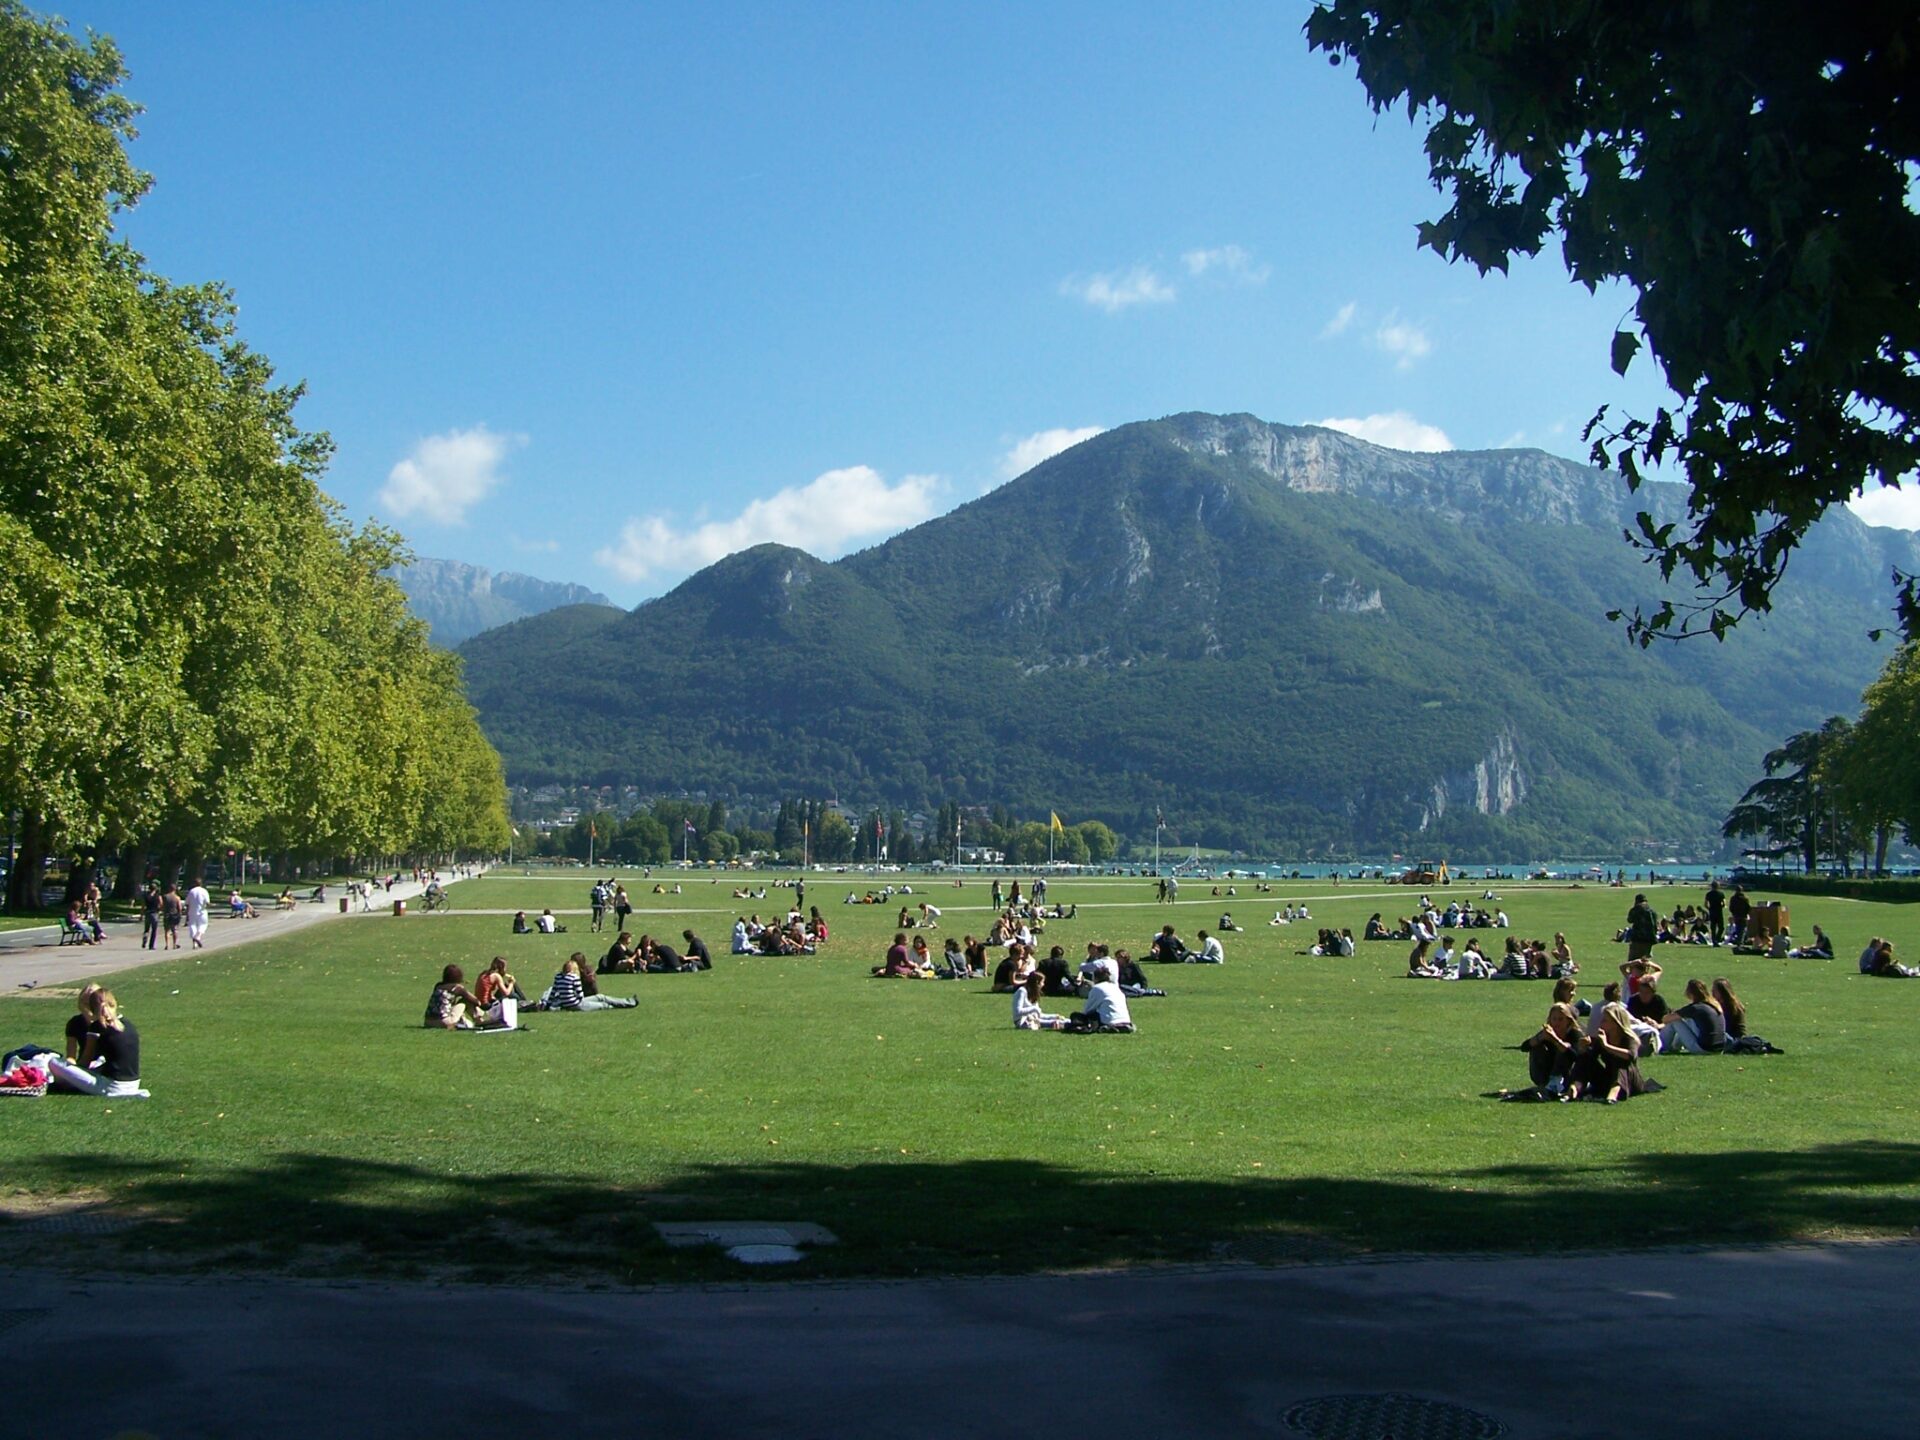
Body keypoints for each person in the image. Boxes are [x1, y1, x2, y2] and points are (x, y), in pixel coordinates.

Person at [44, 990, 147, 1097]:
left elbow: (85, 1062)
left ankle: (59, 1084)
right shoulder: (129, 1025)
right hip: (134, 1083)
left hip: (112, 1087)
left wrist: (73, 1074)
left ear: (91, 1008)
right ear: (115, 1004)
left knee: (53, 1062)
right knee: (98, 1063)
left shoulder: (97, 1027)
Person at [1660, 978, 1727, 1054]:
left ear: (1690, 993)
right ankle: (1675, 1046)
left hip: (1704, 1049)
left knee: (1674, 1021)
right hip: (1720, 1049)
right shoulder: (1714, 1005)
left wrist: (1673, 1013)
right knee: (1689, 1020)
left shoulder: (1695, 1008)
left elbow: (1666, 1019)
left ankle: (1662, 1047)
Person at [546, 955, 637, 1009]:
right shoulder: (574, 977)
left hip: (568, 1003)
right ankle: (628, 1003)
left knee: (601, 998)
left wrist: (547, 1004)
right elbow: (580, 996)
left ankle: (628, 1002)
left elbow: (553, 992)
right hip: (577, 1004)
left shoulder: (558, 976)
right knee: (603, 1003)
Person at [1067, 973, 1134, 1032]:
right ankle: (1122, 1026)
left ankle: (1108, 1027)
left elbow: (1087, 1011)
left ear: (1095, 978)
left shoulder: (1097, 988)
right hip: (1126, 1020)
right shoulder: (1115, 987)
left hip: (1109, 1021)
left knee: (1076, 1016)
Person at [1625, 893, 1658, 963]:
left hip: (1638, 939)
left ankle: (1634, 974)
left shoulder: (1636, 909)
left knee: (1633, 961)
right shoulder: (1652, 911)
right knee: (1646, 961)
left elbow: (1629, 920)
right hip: (1650, 939)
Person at [185, 877, 211, 949]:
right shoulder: (204, 891)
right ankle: (198, 937)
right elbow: (207, 902)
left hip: (192, 911)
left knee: (193, 926)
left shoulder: (191, 891)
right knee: (203, 925)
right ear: (201, 883)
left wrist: (187, 912)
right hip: (202, 911)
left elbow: (187, 903)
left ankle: (194, 943)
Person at [140, 882, 161, 950]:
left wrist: (141, 915)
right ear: (155, 889)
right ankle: (151, 945)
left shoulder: (146, 896)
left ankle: (145, 938)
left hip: (147, 913)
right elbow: (161, 904)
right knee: (154, 930)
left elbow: (143, 906)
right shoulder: (157, 896)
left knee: (146, 929)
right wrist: (159, 909)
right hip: (154, 913)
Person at [1705, 880, 1726, 946]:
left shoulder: (1708, 894)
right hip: (1719, 912)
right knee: (1721, 927)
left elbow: (1705, 904)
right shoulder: (1721, 894)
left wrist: (1709, 908)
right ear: (1718, 886)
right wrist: (1721, 906)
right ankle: (1717, 939)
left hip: (1712, 912)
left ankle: (1714, 941)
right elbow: (1724, 903)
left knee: (1713, 928)